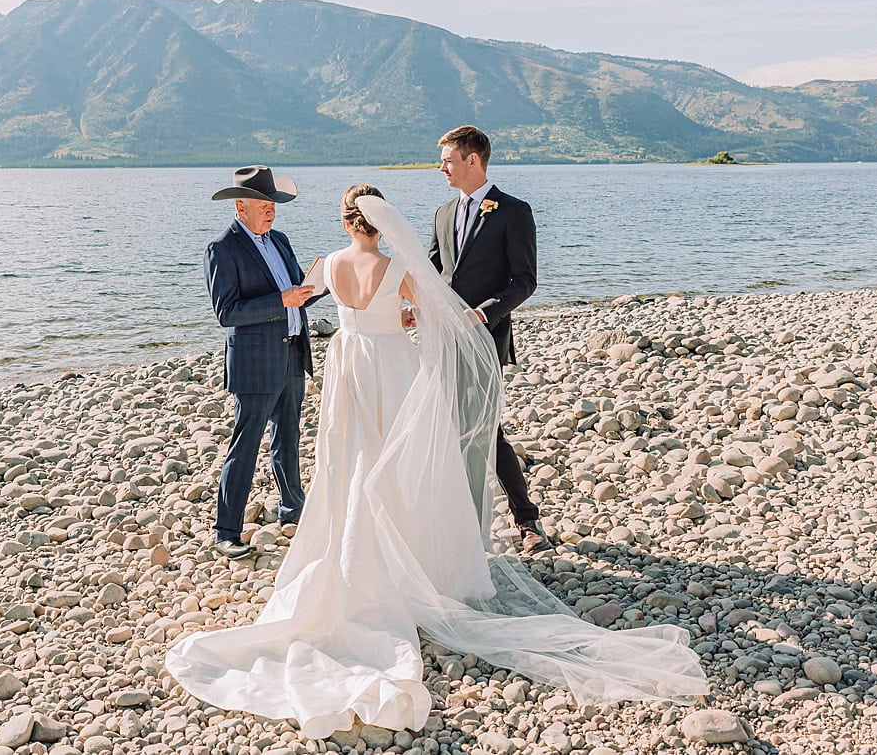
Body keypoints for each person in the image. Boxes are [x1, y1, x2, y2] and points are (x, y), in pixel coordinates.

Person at [166, 185, 707, 738]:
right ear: (383, 223)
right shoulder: (401, 265)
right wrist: (403, 321)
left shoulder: (324, 263)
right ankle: (417, 556)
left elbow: (305, 299)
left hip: (347, 368)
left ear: (345, 221)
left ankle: (350, 554)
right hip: (393, 369)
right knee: (398, 461)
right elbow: (432, 319)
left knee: (349, 459)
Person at [425, 124, 551, 553]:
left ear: (471, 160)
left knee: (486, 429)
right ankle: (453, 520)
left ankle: (527, 521)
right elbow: (432, 273)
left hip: (484, 338)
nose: (440, 167)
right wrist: (413, 308)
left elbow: (525, 280)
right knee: (444, 425)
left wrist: (483, 313)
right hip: (442, 339)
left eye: (446, 160)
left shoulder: (514, 211)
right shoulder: (444, 213)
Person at [203, 165, 322, 560]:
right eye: (262, 203)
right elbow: (227, 313)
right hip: (254, 363)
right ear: (241, 206)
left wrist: (313, 290)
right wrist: (281, 302)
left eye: (272, 202)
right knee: (246, 444)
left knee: (288, 439)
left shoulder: (281, 240)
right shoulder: (222, 248)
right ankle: (226, 531)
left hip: (291, 352)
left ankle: (293, 510)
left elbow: (292, 294)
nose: (271, 209)